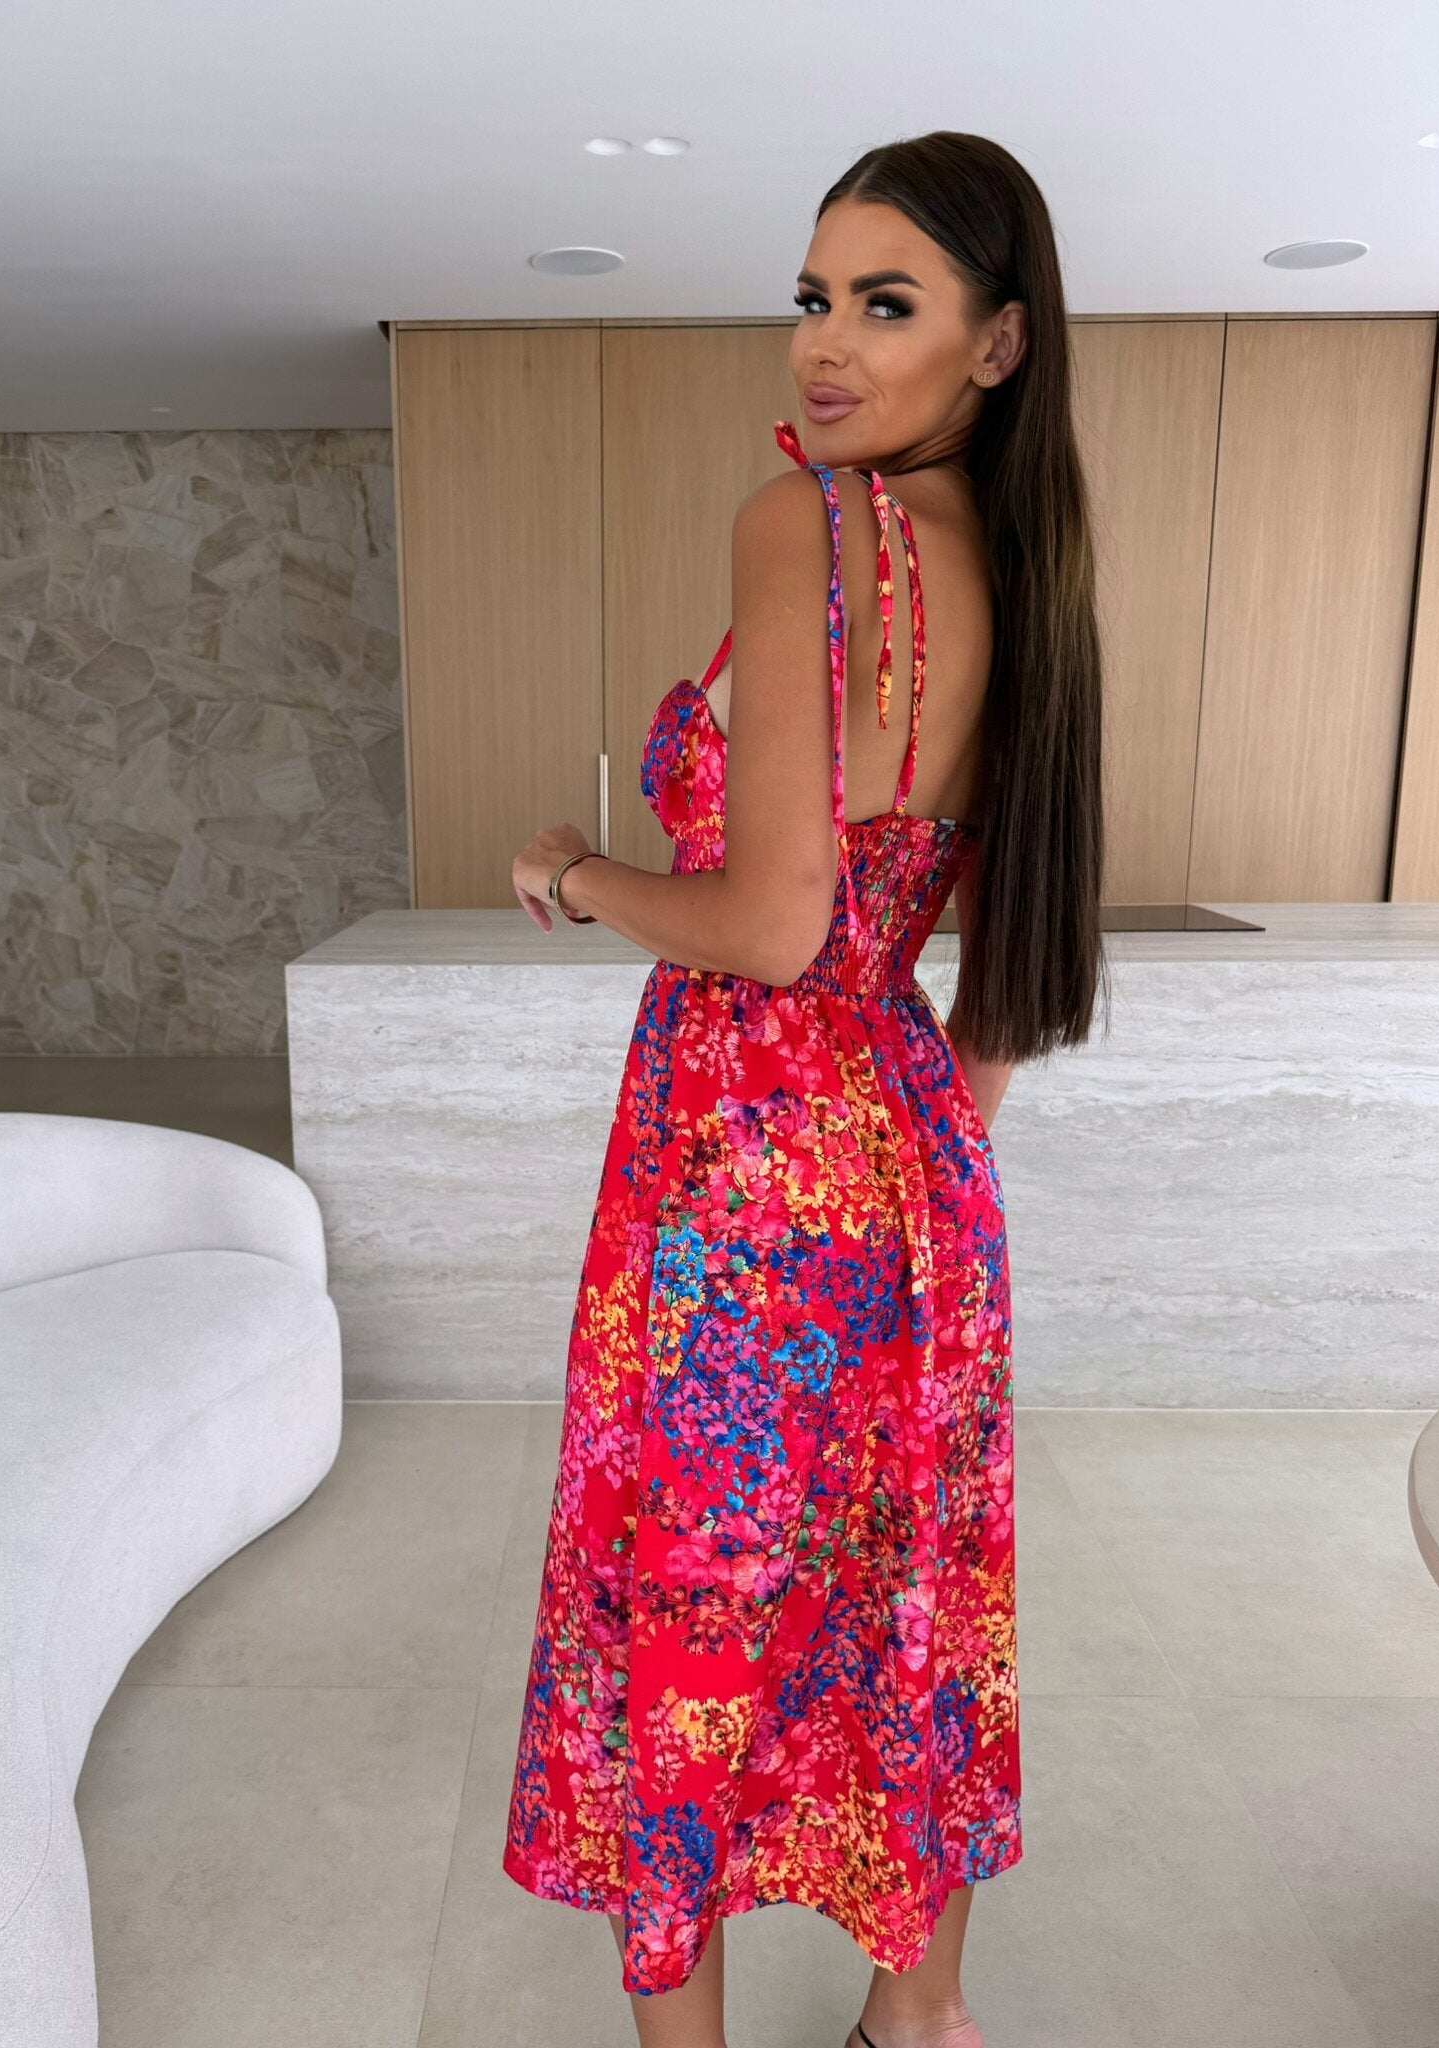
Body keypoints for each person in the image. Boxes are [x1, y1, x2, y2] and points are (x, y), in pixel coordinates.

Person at [506, 128, 1107, 2048]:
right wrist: (916, 1175)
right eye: (814, 298)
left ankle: (681, 2033)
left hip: (741, 1166)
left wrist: (577, 874)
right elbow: (999, 972)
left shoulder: (811, 530)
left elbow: (769, 926)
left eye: (888, 303)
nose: (825, 348)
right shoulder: (1034, 576)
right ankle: (911, 2021)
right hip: (917, 1173)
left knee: (697, 1604)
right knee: (892, 1606)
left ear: (999, 345)